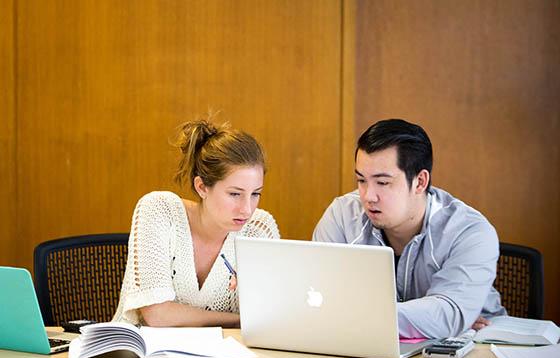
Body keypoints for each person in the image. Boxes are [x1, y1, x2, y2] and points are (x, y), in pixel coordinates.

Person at [313, 119, 506, 339]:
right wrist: (427, 320)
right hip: (372, 347)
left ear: (420, 182)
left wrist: (446, 319)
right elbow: (317, 297)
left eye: (383, 183)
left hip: (476, 350)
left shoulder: (470, 232)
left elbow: (447, 316)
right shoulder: (341, 215)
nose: (368, 196)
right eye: (361, 180)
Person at [113, 118, 280, 327]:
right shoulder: (159, 210)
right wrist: (238, 320)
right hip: (141, 355)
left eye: (255, 194)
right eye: (235, 194)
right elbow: (157, 314)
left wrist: (256, 297)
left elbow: (271, 316)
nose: (247, 209)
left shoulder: (259, 229)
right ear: (202, 187)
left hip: (225, 357)